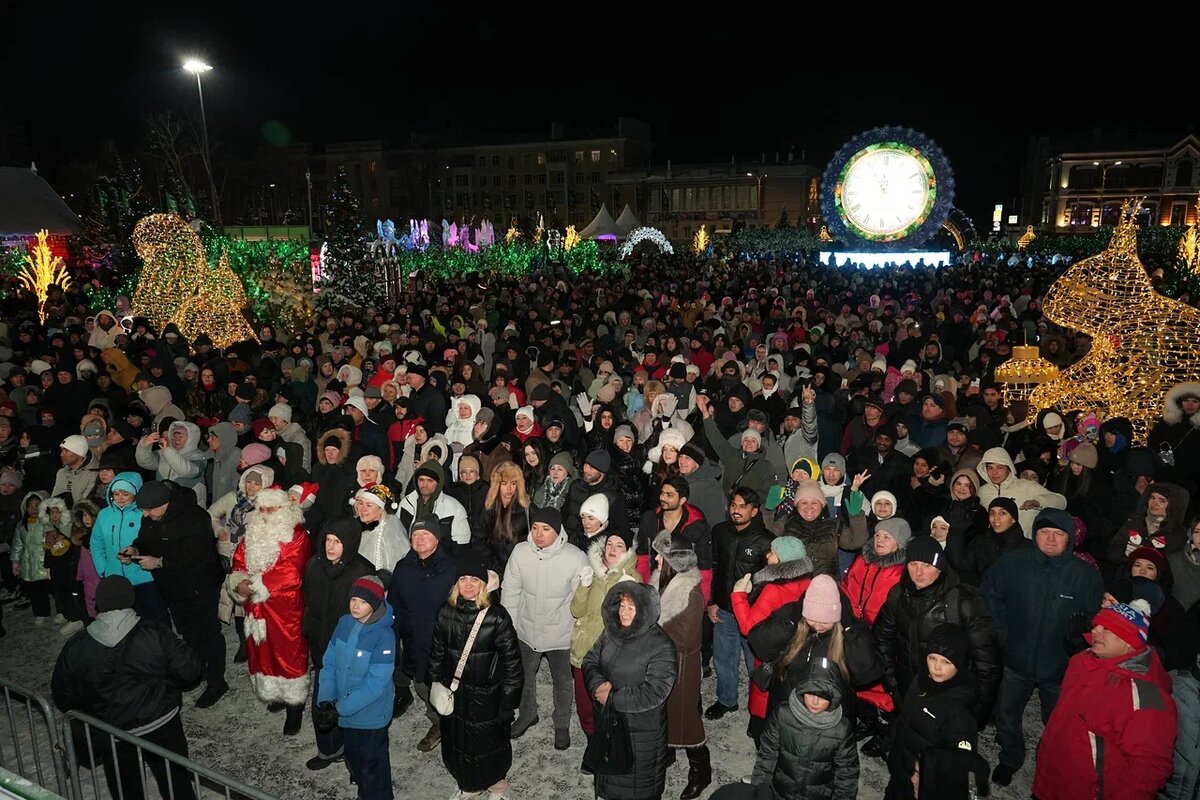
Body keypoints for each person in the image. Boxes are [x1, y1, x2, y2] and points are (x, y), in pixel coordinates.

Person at [980, 506, 1103, 786]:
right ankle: (1010, 757)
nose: (1050, 539)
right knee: (1007, 712)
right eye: (1044, 532)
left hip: (1059, 664)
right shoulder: (1013, 563)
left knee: (1058, 720)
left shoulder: (1085, 576)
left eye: (1058, 534)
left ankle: (1052, 763)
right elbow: (988, 594)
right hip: (1015, 656)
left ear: (1069, 539)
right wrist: (1001, 633)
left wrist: (1077, 639)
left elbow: (1093, 621)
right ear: (1034, 535)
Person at [51, 576, 202, 800]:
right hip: (161, 723)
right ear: (131, 599)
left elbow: (62, 695)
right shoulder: (154, 632)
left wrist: (94, 704)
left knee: (126, 791)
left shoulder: (77, 645)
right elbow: (190, 671)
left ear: (99, 604)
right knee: (176, 784)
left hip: (112, 732)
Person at [1032, 600, 1177, 800]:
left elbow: (1149, 769)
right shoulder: (1082, 659)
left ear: (1130, 642)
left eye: (1108, 628)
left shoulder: (1146, 697)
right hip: (1050, 780)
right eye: (1096, 625)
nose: (1095, 631)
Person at [875, 536, 1001, 758]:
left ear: (940, 567)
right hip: (909, 689)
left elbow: (987, 663)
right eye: (913, 564)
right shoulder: (898, 595)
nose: (918, 572)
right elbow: (881, 640)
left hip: (950, 697)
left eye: (927, 565)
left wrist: (976, 714)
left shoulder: (962, 602)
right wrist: (893, 684)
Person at [118, 480, 228, 707]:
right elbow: (145, 539)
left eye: (150, 510)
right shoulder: (150, 516)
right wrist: (135, 549)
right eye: (143, 510)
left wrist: (159, 562)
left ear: (166, 504)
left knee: (208, 633)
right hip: (172, 587)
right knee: (187, 632)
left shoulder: (195, 517)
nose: (145, 515)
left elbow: (196, 558)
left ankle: (217, 681)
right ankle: (198, 669)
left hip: (201, 585)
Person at [427, 554, 523, 800]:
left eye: (474, 580)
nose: (468, 585)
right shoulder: (445, 612)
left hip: (487, 697)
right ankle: (469, 784)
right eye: (463, 579)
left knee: (488, 744)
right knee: (459, 743)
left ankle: (497, 786)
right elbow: (437, 651)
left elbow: (512, 664)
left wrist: (508, 702)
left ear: (483, 584)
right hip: (456, 692)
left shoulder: (496, 617)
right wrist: (434, 682)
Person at [223, 487, 313, 733]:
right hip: (257, 606)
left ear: (283, 510)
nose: (264, 514)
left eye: (270, 509)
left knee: (289, 652)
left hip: (286, 607)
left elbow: (292, 571)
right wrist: (238, 581)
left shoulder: (297, 535)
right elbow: (239, 560)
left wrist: (255, 585)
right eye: (261, 509)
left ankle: (294, 704)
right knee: (263, 650)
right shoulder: (252, 532)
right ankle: (273, 692)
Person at [709, 657, 859, 800]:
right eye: (810, 693)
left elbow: (846, 774)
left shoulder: (841, 730)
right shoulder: (782, 714)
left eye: (822, 696)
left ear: (833, 698)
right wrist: (758, 790)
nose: (815, 701)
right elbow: (767, 754)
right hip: (780, 791)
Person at [582, 582, 678, 800]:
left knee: (636, 789)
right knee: (609, 778)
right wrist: (597, 685)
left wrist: (613, 698)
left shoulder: (661, 646)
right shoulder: (611, 632)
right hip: (609, 722)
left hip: (640, 733)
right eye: (622, 605)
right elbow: (590, 660)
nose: (624, 612)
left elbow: (655, 692)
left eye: (631, 607)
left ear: (644, 611)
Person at [502, 506, 587, 749]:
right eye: (535, 528)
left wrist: (576, 632)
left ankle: (561, 724)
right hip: (526, 631)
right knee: (524, 675)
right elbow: (511, 592)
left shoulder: (575, 558)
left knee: (562, 681)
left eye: (546, 529)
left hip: (560, 634)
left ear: (558, 531)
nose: (539, 534)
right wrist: (510, 628)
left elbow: (581, 602)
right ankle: (527, 713)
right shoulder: (520, 552)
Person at [302, 518, 375, 771]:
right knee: (323, 701)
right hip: (322, 647)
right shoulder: (314, 565)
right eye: (328, 540)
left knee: (352, 704)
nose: (330, 547)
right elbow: (308, 599)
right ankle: (328, 750)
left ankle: (355, 757)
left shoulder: (362, 571)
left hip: (351, 649)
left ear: (350, 543)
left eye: (337, 542)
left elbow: (369, 615)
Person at [314, 576, 395, 800]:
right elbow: (329, 663)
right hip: (345, 713)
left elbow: (375, 684)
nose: (355, 605)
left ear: (375, 604)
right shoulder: (344, 623)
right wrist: (326, 699)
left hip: (371, 717)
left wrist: (339, 709)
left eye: (363, 601)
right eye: (353, 599)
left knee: (373, 767)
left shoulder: (384, 636)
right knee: (353, 758)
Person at [886, 624, 980, 800]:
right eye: (932, 658)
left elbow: (957, 766)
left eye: (946, 662)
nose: (937, 667)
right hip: (901, 773)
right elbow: (905, 719)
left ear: (960, 663)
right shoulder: (919, 681)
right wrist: (893, 747)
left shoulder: (959, 712)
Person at [387, 515, 457, 750]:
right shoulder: (402, 569)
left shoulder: (451, 569)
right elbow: (394, 606)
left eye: (426, 534)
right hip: (414, 641)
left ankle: (456, 724)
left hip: (444, 644)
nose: (420, 539)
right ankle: (437, 722)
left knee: (448, 687)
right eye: (415, 534)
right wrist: (394, 639)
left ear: (437, 538)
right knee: (422, 686)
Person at [707, 487, 774, 721]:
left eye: (743, 506)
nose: (736, 510)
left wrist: (762, 612)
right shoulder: (719, 532)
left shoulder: (766, 540)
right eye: (733, 505)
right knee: (723, 659)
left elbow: (770, 582)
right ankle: (727, 700)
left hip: (753, 614)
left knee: (755, 663)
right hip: (724, 610)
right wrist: (711, 602)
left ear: (754, 511)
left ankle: (759, 709)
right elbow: (714, 567)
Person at [653, 531, 709, 800]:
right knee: (665, 713)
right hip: (666, 664)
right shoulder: (664, 582)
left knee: (687, 720)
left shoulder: (690, 594)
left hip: (682, 669)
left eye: (660, 556)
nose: (655, 559)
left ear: (673, 562)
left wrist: (649, 633)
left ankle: (701, 770)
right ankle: (668, 751)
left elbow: (683, 638)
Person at [570, 529, 640, 738]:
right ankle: (592, 741)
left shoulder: (633, 579)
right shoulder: (592, 572)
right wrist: (584, 587)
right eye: (609, 544)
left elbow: (634, 626)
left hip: (613, 656)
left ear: (627, 551)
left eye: (619, 546)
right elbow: (576, 611)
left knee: (609, 706)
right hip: (585, 648)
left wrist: (626, 593)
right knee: (584, 706)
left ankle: (610, 745)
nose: (612, 549)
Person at [974, 446, 1066, 535]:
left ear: (1009, 468)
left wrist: (1038, 502)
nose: (994, 472)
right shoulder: (981, 492)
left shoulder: (1028, 486)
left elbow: (1061, 502)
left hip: (1024, 543)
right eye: (990, 468)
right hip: (991, 542)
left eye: (1000, 467)